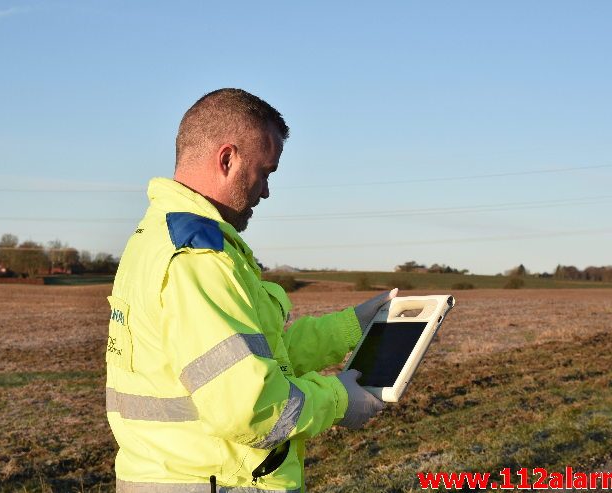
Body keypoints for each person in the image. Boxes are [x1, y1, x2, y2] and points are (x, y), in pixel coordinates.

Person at [106, 88, 395, 493]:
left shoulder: (159, 236)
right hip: (217, 483)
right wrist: (339, 401)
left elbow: (255, 356)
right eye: (266, 172)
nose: (266, 191)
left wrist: (350, 327)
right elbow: (251, 408)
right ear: (227, 159)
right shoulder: (199, 258)